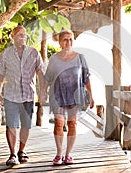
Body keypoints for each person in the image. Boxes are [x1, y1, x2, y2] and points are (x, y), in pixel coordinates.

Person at [41, 30, 94, 165]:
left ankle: (68, 154)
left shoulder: (80, 57)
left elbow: (86, 78)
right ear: (59, 42)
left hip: (75, 96)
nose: (68, 42)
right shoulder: (53, 59)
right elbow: (47, 78)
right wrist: (42, 92)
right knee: (59, 123)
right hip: (57, 95)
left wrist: (91, 95)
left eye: (71, 39)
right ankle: (59, 154)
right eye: (65, 39)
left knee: (72, 123)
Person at [0, 26, 44, 166]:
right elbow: (0, 76)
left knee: (26, 126)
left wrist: (42, 92)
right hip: (11, 95)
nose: (22, 37)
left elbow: (40, 73)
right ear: (13, 37)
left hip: (28, 96)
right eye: (19, 35)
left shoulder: (34, 53)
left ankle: (21, 151)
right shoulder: (5, 54)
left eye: (24, 35)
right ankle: (12, 154)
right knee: (11, 125)